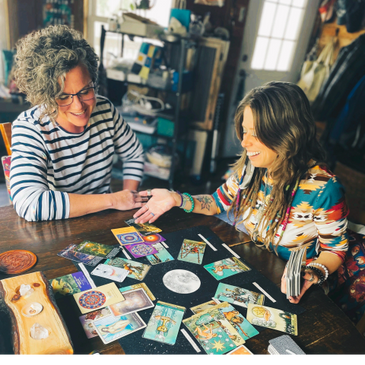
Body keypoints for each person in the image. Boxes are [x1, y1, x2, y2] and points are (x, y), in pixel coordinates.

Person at [134, 81, 349, 304]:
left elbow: (335, 250)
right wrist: (177, 198)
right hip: (249, 260)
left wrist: (312, 273)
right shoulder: (252, 165)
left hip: (288, 283)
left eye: (256, 133)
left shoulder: (325, 188)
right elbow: (218, 201)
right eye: (245, 131)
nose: (245, 142)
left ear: (287, 134)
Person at [10, 25, 147, 221]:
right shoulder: (30, 127)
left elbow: (133, 154)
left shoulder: (105, 110)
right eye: (63, 96)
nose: (79, 106)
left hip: (105, 217)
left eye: (85, 91)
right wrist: (114, 200)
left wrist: (129, 200)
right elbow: (31, 205)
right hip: (58, 224)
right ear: (45, 96)